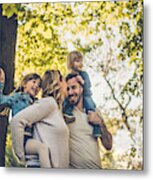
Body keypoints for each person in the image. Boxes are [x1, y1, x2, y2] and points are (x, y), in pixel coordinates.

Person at [11, 70, 69, 168]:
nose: (66, 84)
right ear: (57, 83)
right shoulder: (48, 103)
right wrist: (21, 156)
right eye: (63, 80)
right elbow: (17, 121)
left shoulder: (54, 108)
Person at [0, 68, 51, 168]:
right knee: (42, 149)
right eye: (34, 82)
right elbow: (1, 100)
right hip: (23, 138)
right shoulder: (18, 97)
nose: (36, 86)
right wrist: (1, 83)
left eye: (39, 86)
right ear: (24, 84)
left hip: (33, 137)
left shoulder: (37, 103)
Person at [65, 73, 112, 169]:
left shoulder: (94, 111)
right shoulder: (65, 114)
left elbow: (108, 145)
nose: (70, 92)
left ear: (82, 89)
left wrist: (100, 123)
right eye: (67, 89)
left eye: (73, 87)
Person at [63, 51, 102, 138]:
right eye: (77, 61)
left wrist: (82, 81)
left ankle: (97, 129)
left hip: (86, 95)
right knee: (66, 101)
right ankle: (68, 113)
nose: (80, 64)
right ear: (71, 63)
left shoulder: (83, 74)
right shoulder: (68, 76)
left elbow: (88, 86)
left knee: (90, 107)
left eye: (81, 61)